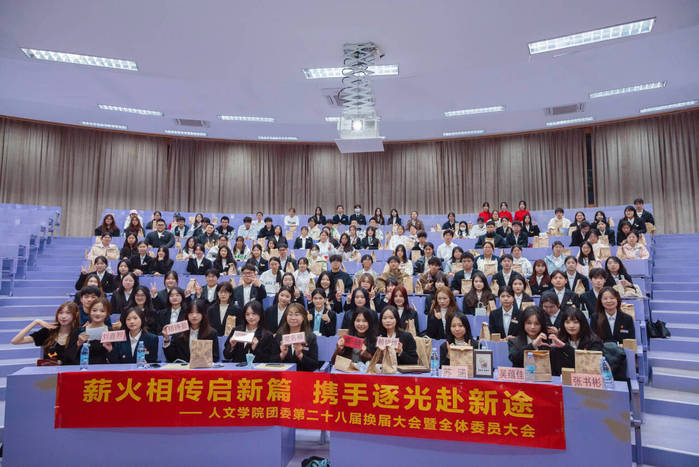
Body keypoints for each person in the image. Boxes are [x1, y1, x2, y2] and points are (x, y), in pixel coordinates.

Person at [11, 302, 80, 364]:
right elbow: (15, 341)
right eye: (61, 313)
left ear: (75, 315)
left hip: (69, 372)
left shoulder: (79, 334)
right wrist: (35, 322)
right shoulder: (48, 331)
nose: (63, 316)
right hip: (48, 372)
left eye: (68, 313)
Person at [508, 306, 559, 375]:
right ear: (523, 323)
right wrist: (532, 346)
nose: (532, 327)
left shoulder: (548, 342)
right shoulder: (514, 341)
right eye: (529, 323)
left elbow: (554, 368)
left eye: (537, 323)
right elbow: (515, 359)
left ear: (541, 325)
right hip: (522, 379)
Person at [271, 303, 320, 371]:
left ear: (303, 317)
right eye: (290, 314)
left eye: (297, 315)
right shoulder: (279, 335)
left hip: (302, 375)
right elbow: (271, 362)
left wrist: (300, 355)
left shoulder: (310, 337)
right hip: (283, 375)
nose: (293, 318)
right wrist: (282, 354)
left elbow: (314, 365)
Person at [69, 297, 114, 365]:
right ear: (89, 312)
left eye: (102, 311)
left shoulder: (111, 332)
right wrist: (78, 344)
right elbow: (68, 358)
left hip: (104, 369)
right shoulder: (79, 331)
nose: (98, 313)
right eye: (94, 310)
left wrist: (110, 349)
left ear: (107, 314)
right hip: (82, 368)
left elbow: (118, 360)